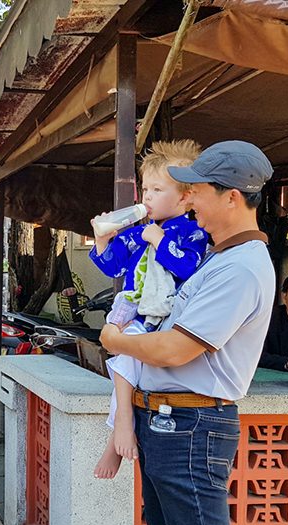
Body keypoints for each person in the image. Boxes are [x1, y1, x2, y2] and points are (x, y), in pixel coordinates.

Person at [100, 140, 276, 525]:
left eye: (196, 189)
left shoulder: (241, 267)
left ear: (231, 197)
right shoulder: (217, 257)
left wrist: (114, 340)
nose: (189, 198)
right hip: (169, 421)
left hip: (192, 425)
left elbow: (176, 350)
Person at [89, 140, 208, 480]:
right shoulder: (138, 232)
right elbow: (113, 268)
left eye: (158, 189)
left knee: (126, 356)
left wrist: (160, 241)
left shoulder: (193, 232)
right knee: (122, 356)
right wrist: (102, 240)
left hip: (159, 314)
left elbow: (189, 267)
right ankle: (119, 429)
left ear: (185, 197)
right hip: (131, 308)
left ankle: (120, 427)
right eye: (145, 189)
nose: (148, 197)